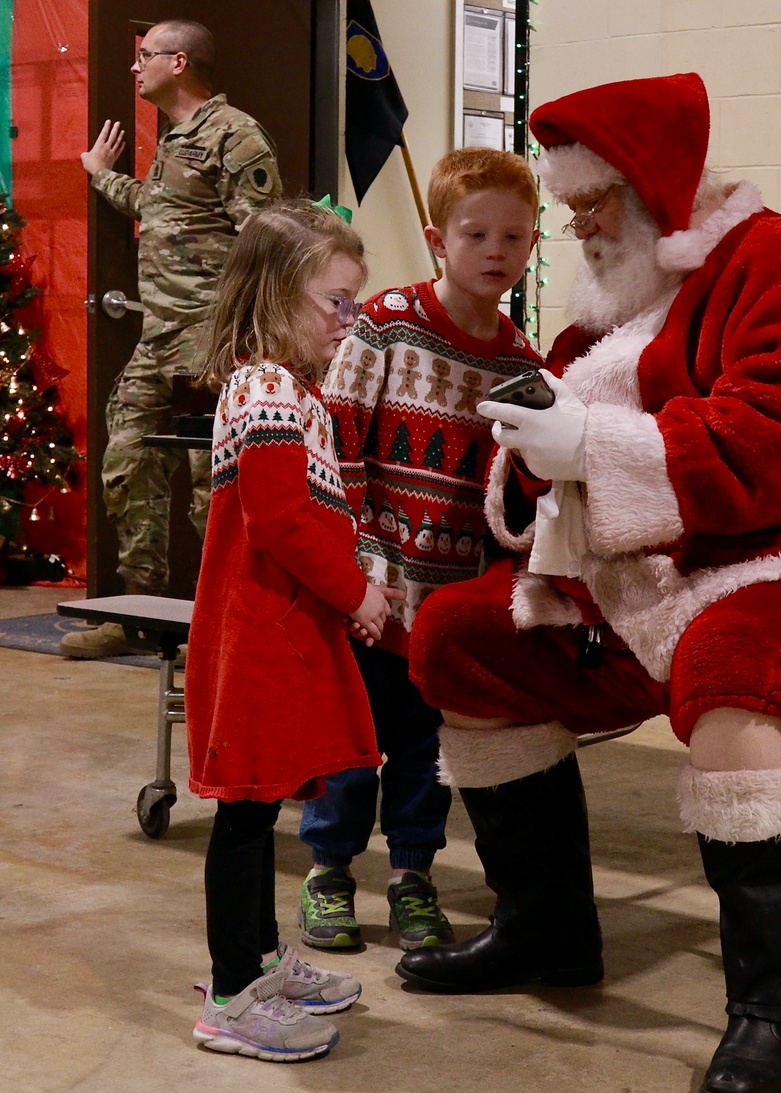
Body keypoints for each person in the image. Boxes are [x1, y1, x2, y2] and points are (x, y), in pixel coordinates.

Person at [395, 74, 781, 1093]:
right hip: (653, 581)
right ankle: (545, 928)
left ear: (655, 183)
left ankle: (767, 1013)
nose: (579, 230)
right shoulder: (613, 306)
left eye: (591, 205)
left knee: (732, 656)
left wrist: (589, 440)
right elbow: (559, 474)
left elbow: (775, 446)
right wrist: (535, 446)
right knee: (458, 634)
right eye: (569, 211)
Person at [297, 147, 542, 952]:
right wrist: (360, 559)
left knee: (427, 747)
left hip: (450, 599)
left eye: (514, 236)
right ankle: (329, 871)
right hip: (373, 581)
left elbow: (513, 492)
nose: (495, 253)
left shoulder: (519, 363)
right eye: (477, 235)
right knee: (351, 736)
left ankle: (412, 875)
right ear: (439, 240)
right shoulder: (390, 320)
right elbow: (334, 438)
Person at [185, 199, 403, 1062]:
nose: (348, 323)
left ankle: (260, 961)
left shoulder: (283, 386)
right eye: (336, 303)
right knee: (244, 813)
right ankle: (233, 993)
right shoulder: (269, 385)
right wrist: (361, 592)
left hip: (278, 629)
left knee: (259, 804)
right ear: (277, 295)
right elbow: (280, 519)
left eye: (356, 303)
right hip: (259, 634)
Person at [65, 18, 281, 659]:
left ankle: (216, 623)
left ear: (179, 62)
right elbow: (161, 209)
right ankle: (138, 617)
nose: (136, 67)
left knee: (208, 489)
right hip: (158, 340)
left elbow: (265, 240)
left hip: (212, 341)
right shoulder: (174, 138)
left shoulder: (235, 135)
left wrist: (246, 334)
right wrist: (100, 173)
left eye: (145, 56)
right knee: (126, 464)